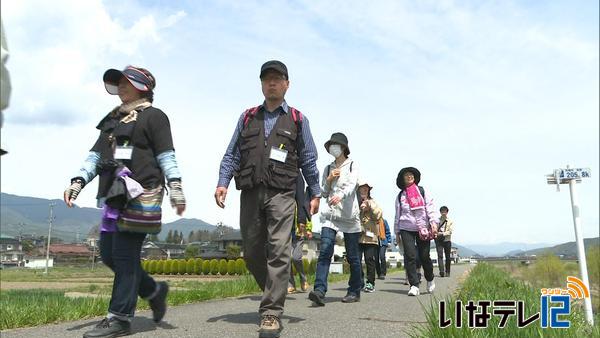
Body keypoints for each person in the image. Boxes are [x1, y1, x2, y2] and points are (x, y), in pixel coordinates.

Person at [63, 65, 186, 337]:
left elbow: (167, 154)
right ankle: (154, 291)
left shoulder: (155, 117)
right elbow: (95, 155)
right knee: (109, 255)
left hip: (141, 195)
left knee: (125, 255)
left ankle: (119, 317)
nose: (120, 86)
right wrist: (78, 181)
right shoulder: (111, 119)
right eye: (117, 82)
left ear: (143, 86)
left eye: (125, 82)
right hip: (114, 196)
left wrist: (176, 187)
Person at [214, 60, 320, 338]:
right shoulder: (248, 117)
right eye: (267, 79)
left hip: (282, 193)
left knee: (279, 250)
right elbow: (232, 154)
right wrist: (222, 182)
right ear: (262, 84)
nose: (271, 83)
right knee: (251, 252)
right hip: (250, 191)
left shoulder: (298, 119)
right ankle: (275, 288)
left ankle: (272, 312)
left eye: (277, 79)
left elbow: (308, 159)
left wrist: (315, 192)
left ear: (287, 84)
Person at [308, 132, 362, 306]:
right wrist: (329, 180)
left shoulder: (352, 165)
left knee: (353, 256)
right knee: (324, 251)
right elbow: (324, 192)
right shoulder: (328, 168)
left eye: (336, 145)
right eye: (331, 145)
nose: (333, 148)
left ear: (344, 147)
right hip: (330, 215)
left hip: (348, 216)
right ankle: (319, 290)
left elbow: (352, 184)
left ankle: (354, 291)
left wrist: (340, 195)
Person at [394, 167, 438, 296]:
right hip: (405, 228)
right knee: (410, 256)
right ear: (402, 179)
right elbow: (397, 214)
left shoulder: (422, 191)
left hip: (422, 227)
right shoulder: (400, 196)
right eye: (406, 175)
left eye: (411, 174)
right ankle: (414, 285)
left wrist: (433, 223)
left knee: (424, 256)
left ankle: (430, 278)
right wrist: (397, 232)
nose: (409, 176)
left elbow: (430, 207)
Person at [288, 175, 312, 294]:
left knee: (296, 257)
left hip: (298, 231)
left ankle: (303, 279)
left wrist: (306, 226)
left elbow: (305, 207)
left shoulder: (297, 175)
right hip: (285, 231)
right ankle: (291, 284)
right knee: (286, 259)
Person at [357, 181, 383, 293]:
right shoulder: (354, 203)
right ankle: (358, 281)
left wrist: (369, 206)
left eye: (366, 189)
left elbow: (378, 215)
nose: (364, 190)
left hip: (370, 237)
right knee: (356, 260)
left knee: (369, 260)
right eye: (362, 189)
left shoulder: (373, 202)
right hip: (356, 236)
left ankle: (370, 283)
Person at [435, 206, 454, 277]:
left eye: (445, 211)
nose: (443, 213)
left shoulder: (450, 221)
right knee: (440, 256)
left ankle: (448, 271)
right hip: (439, 240)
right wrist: (436, 234)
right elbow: (434, 229)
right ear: (440, 212)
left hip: (447, 240)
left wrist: (442, 233)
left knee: (448, 257)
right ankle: (441, 271)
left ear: (447, 212)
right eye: (442, 211)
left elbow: (450, 231)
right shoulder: (437, 220)